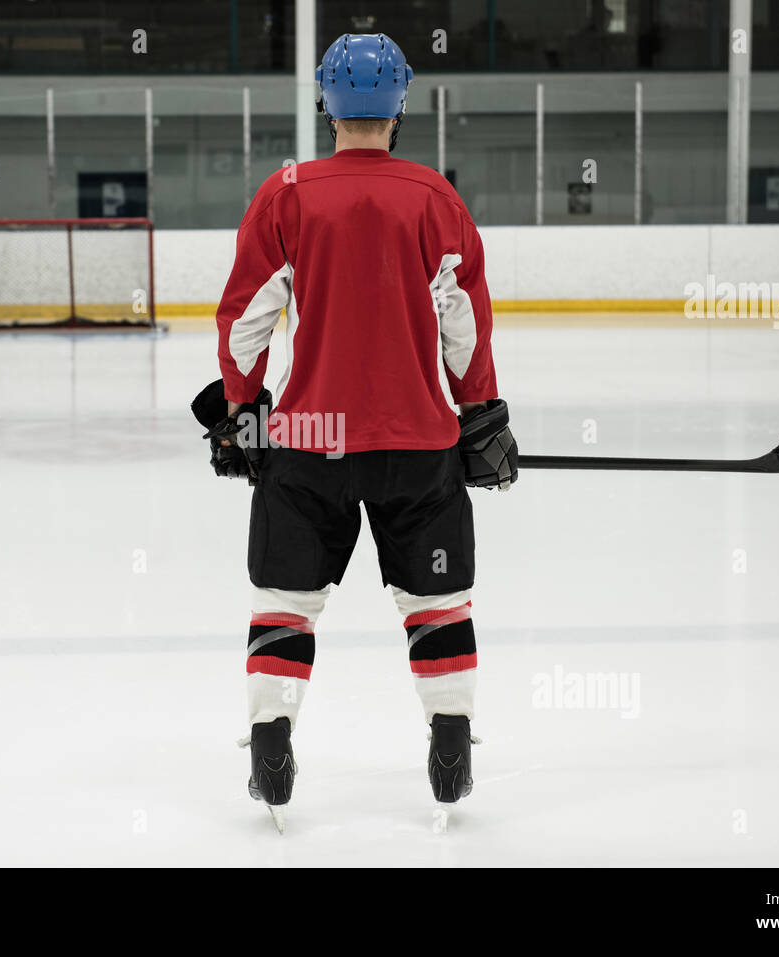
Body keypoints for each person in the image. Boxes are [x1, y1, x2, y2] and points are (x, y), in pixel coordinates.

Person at [191, 33, 518, 818]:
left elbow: (245, 322)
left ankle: (271, 738)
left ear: (325, 105)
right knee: (436, 600)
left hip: (311, 443)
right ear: (401, 106)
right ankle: (450, 735)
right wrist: (480, 414)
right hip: (419, 445)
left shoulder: (287, 193)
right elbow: (464, 324)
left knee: (286, 600)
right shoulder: (434, 197)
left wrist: (242, 409)